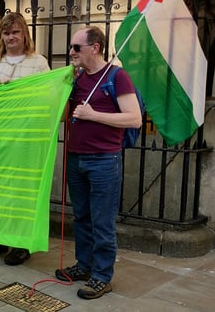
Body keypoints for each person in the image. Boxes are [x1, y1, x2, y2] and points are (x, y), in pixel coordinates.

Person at [55, 26, 141, 300]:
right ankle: (85, 265)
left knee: (102, 220)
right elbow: (64, 115)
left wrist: (93, 115)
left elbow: (134, 118)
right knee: (82, 216)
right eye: (71, 47)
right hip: (76, 157)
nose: (71, 52)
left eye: (76, 48)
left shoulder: (118, 77)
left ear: (95, 48)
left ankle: (102, 276)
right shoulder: (77, 78)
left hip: (104, 160)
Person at [0, 12, 50, 266]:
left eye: (15, 32)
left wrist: (17, 90)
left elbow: (46, 97)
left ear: (24, 34)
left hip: (25, 138)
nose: (10, 37)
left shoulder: (39, 62)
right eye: (6, 33)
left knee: (21, 191)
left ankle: (20, 244)